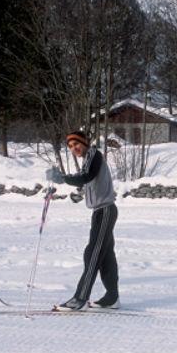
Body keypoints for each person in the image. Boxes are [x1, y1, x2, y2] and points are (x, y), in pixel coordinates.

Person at [46, 131, 119, 311]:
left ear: (85, 142)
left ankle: (79, 299)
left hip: (105, 211)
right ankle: (112, 297)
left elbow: (86, 176)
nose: (74, 148)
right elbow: (86, 184)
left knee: (92, 254)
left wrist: (62, 178)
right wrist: (65, 192)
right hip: (100, 212)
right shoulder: (88, 160)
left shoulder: (94, 154)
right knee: (106, 256)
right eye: (70, 146)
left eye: (76, 144)